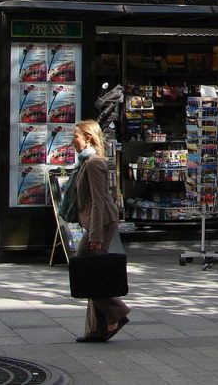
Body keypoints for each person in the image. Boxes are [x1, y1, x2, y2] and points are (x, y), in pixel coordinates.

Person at [70, 119, 130, 342]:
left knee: (86, 272)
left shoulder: (94, 163)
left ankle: (117, 313)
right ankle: (97, 329)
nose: (72, 140)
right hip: (97, 223)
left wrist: (95, 236)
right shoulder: (85, 162)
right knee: (91, 272)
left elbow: (98, 202)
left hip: (101, 224)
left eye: (75, 136)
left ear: (88, 137)